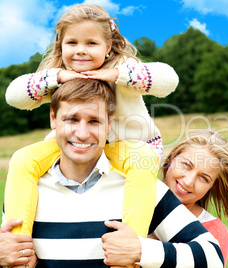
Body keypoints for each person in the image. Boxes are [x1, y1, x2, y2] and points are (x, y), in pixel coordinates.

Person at [1, 78, 223, 267]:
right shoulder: (28, 190)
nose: (82, 133)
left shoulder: (143, 188)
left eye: (95, 121)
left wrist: (142, 251)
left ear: (109, 124)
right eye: (71, 119)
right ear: (53, 118)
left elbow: (213, 256)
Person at [4, 3, 179, 239]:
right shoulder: (58, 75)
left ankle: (131, 241)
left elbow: (169, 80)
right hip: (71, 146)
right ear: (61, 45)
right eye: (72, 43)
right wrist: (56, 77)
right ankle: (17, 240)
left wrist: (118, 75)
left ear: (107, 47)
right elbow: (13, 96)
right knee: (22, 159)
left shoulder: (122, 69)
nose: (81, 51)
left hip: (127, 146)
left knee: (143, 160)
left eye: (91, 43)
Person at [159, 129, 228, 266]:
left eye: (204, 178)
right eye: (186, 165)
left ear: (213, 186)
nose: (188, 182)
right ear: (171, 158)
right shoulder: (128, 200)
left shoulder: (214, 233)